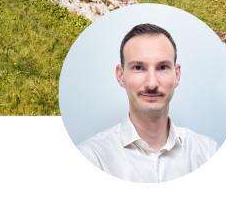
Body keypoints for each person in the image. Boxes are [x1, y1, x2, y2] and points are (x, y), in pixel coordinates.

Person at [78, 23, 218, 183]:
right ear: (120, 76)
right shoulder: (92, 158)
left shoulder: (208, 152)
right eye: (138, 67)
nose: (151, 84)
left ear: (177, 75)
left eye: (163, 67)